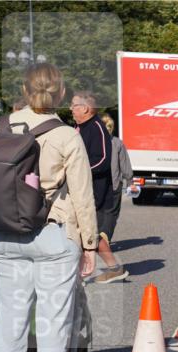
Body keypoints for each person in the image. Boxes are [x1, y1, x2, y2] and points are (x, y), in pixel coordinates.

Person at [0, 63, 98, 352]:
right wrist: (90, 245)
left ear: (23, 89)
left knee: (7, 323)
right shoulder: (66, 135)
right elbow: (82, 195)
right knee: (52, 327)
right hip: (52, 234)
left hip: (3, 235)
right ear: (61, 94)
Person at [72, 90, 126, 284]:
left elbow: (103, 160)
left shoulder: (96, 127)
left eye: (74, 105)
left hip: (94, 189)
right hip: (81, 188)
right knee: (82, 229)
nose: (70, 109)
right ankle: (102, 268)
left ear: (85, 108)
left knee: (87, 229)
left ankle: (112, 268)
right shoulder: (80, 127)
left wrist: (77, 171)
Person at [100, 114, 133, 247]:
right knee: (112, 213)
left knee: (98, 212)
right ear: (111, 128)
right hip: (114, 185)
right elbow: (125, 166)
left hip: (96, 185)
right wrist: (130, 181)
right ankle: (105, 236)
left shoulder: (91, 142)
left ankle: (97, 236)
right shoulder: (117, 143)